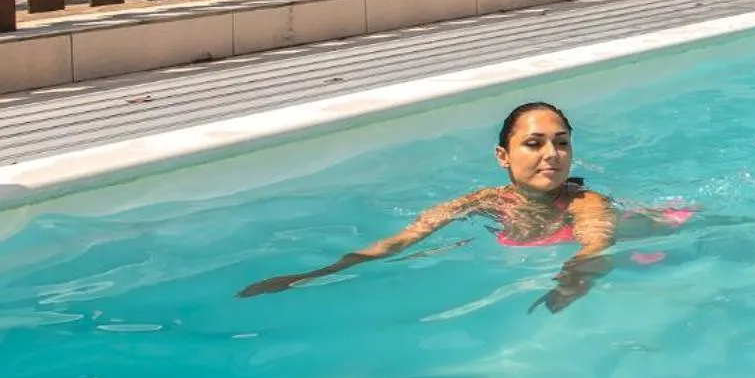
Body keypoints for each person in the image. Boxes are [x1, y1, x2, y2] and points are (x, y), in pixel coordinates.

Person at [238, 101, 694, 313]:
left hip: (658, 228)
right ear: (502, 156)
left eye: (561, 143)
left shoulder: (585, 201)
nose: (551, 155)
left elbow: (596, 243)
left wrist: (573, 279)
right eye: (533, 143)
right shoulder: (485, 202)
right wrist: (316, 274)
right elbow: (403, 240)